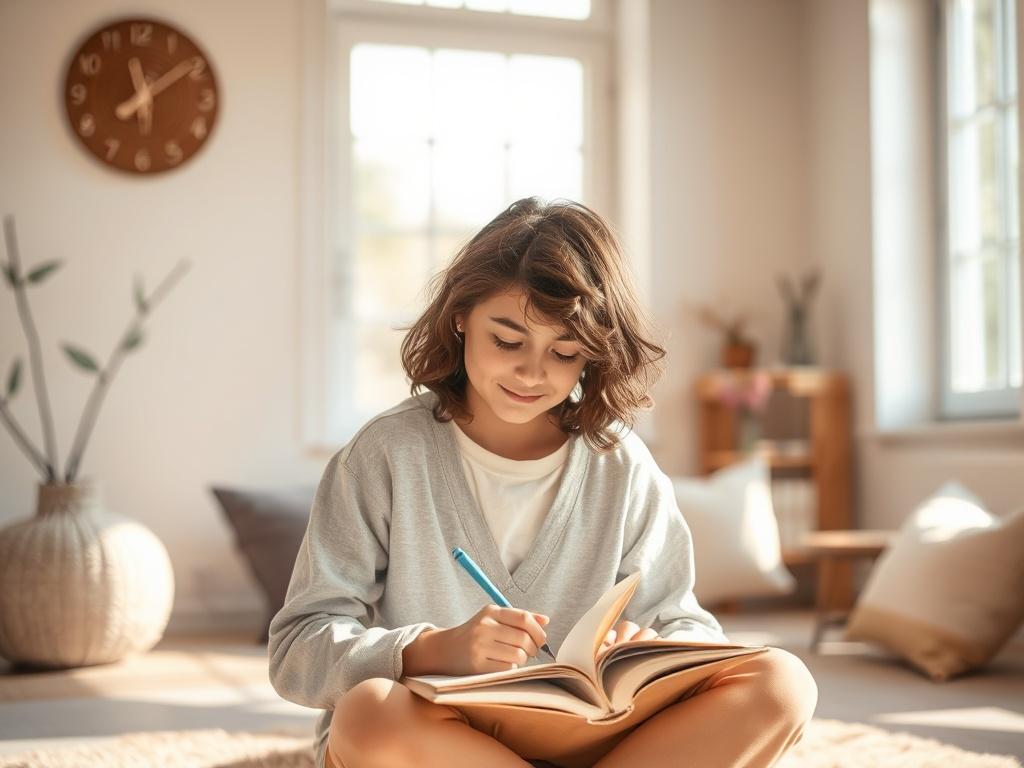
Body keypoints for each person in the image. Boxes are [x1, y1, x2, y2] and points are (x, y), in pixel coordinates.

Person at [268, 197, 818, 768]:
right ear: (461, 317)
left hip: (589, 737)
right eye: (507, 341)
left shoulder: (620, 464)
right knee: (368, 713)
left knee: (782, 682)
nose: (533, 374)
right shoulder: (385, 456)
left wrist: (655, 649)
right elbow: (297, 651)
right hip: (441, 732)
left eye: (564, 353)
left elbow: (688, 624)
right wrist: (434, 648)